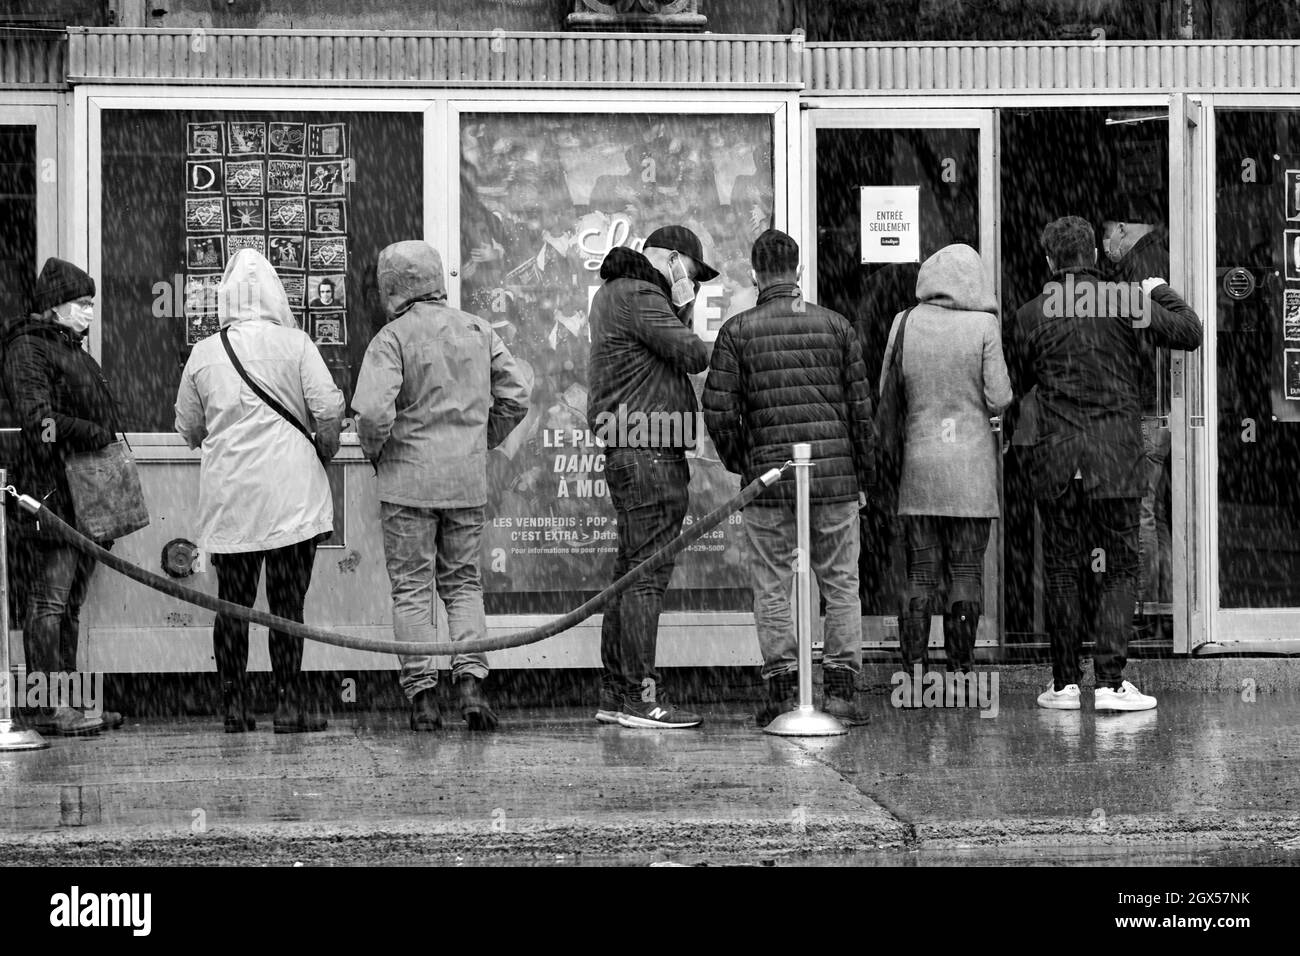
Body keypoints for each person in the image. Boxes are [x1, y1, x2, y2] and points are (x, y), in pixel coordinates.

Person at [1006, 216, 1201, 712]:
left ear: (1050, 261)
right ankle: (1112, 683)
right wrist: (1156, 286)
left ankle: (1065, 682)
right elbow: (1189, 330)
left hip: (1058, 458)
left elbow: (1017, 384)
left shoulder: (1032, 314)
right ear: (1093, 255)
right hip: (1115, 455)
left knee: (1063, 570)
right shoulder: (1121, 300)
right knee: (1120, 569)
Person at [353, 240, 529, 732]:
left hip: (408, 484)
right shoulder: (478, 329)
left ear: (391, 287)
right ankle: (471, 685)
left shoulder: (392, 339)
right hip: (466, 483)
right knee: (463, 584)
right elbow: (516, 397)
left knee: (411, 589)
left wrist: (378, 451)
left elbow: (371, 413)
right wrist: (478, 440)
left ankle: (423, 698)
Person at [704, 229, 876, 726]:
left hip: (770, 481)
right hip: (834, 480)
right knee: (841, 583)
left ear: (755, 274)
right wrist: (860, 475)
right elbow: (861, 414)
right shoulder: (837, 326)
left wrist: (749, 462)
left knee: (773, 585)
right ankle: (841, 691)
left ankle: (783, 691)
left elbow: (717, 412)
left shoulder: (737, 331)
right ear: (798, 272)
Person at [174, 249, 344, 733]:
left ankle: (234, 706)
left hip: (233, 498)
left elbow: (188, 429)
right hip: (293, 497)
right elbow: (327, 413)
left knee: (233, 603)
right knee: (288, 606)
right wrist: (323, 452)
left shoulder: (205, 353)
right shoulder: (297, 344)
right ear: (275, 293)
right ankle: (288, 706)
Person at [587, 225, 711, 729]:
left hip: (631, 447)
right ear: (674, 260)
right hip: (648, 450)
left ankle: (617, 691)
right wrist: (682, 304)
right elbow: (693, 354)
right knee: (646, 578)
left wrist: (677, 304)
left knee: (630, 571)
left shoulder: (616, 293)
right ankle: (641, 696)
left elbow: (663, 349)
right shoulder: (639, 294)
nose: (694, 285)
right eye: (692, 275)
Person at [1, 258, 126, 735]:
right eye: (82, 303)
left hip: (83, 496)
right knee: (49, 603)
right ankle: (47, 708)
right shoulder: (29, 350)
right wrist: (91, 432)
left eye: (92, 303)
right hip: (52, 492)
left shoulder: (66, 346)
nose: (90, 312)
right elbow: (40, 422)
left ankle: (72, 702)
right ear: (55, 307)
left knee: (69, 604)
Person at [879, 244, 1012, 681]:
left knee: (920, 571)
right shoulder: (984, 326)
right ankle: (960, 669)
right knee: (966, 569)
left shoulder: (905, 322)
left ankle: (914, 670)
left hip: (921, 467)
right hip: (971, 469)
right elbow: (1001, 396)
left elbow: (887, 390)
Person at [1102, 211, 1172, 621]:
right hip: (1162, 411)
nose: (1106, 248)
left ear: (1123, 229)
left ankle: (1142, 610)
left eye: (1107, 236)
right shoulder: (1163, 255)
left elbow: (1142, 342)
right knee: (1156, 512)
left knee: (1141, 512)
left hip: (1145, 409)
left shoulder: (1137, 269)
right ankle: (1166, 604)